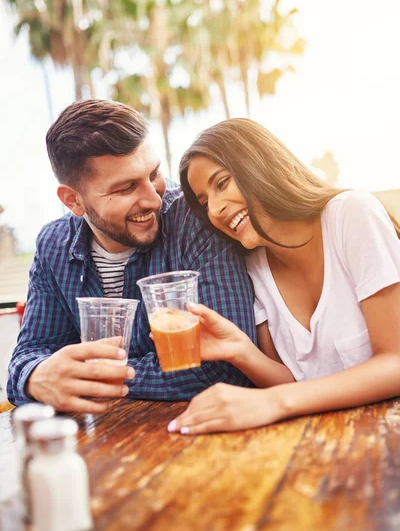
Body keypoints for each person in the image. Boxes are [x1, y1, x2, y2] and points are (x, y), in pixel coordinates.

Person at [7, 102, 256, 414]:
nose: (154, 199)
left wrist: (94, 379)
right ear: (73, 200)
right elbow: (29, 355)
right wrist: (37, 377)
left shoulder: (194, 219)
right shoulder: (53, 245)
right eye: (126, 188)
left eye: (154, 174)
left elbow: (226, 368)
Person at [167, 118, 400, 435]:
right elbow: (293, 384)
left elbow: (395, 362)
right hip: (323, 444)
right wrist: (240, 350)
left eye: (221, 183)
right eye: (205, 202)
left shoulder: (351, 214)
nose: (216, 209)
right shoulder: (253, 266)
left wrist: (273, 402)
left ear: (259, 165)